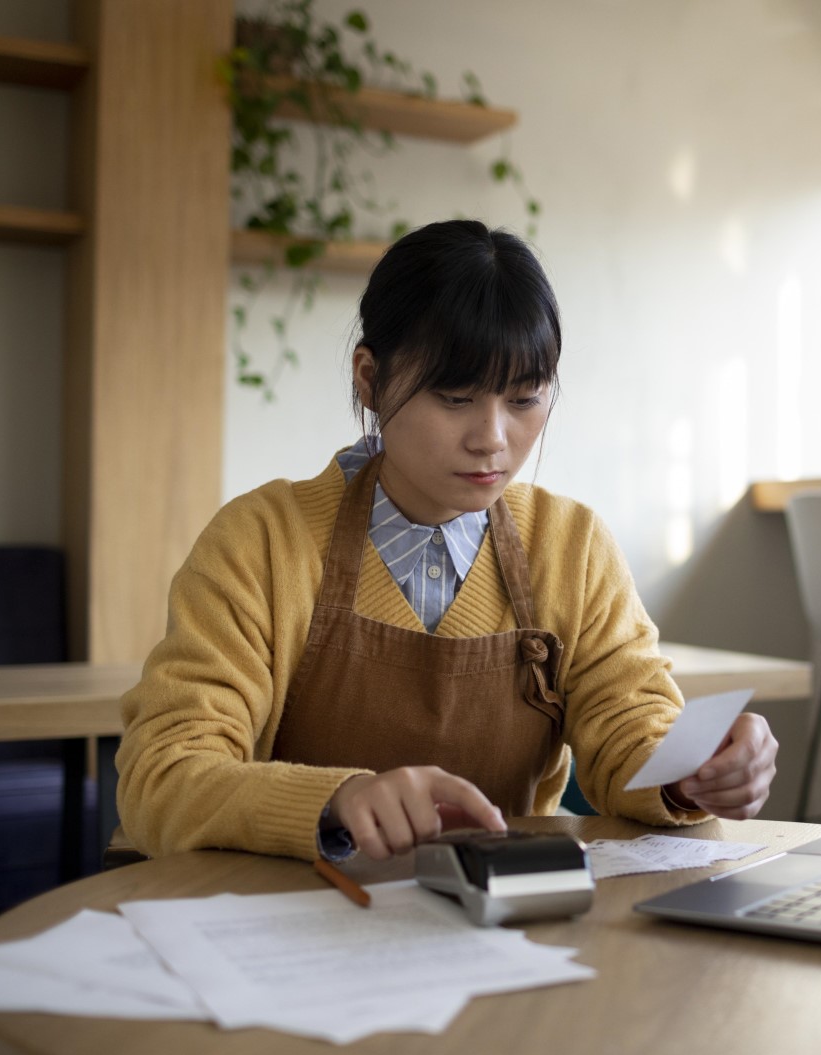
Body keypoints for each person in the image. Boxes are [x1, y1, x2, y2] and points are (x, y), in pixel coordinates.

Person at [117, 219, 779, 862]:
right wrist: (338, 801)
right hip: (287, 925)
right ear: (369, 380)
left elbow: (629, 727)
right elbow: (163, 775)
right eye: (456, 397)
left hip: (505, 922)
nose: (492, 437)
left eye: (524, 399)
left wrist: (691, 772)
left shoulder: (571, 546)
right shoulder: (259, 543)